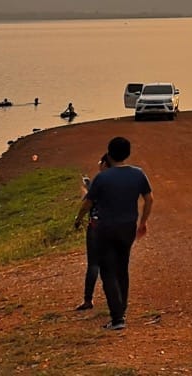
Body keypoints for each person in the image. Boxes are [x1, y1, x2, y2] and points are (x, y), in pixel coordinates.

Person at [75, 136, 152, 332]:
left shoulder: (102, 178)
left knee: (108, 271)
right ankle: (122, 310)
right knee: (122, 268)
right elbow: (149, 199)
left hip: (106, 229)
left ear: (109, 154)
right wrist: (143, 222)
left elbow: (88, 203)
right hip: (128, 228)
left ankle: (117, 318)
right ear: (128, 153)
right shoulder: (138, 174)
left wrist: (78, 218)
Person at [75, 153, 112, 311]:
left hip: (97, 226)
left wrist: (78, 219)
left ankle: (88, 300)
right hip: (115, 226)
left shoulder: (99, 181)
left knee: (94, 264)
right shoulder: (122, 180)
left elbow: (87, 204)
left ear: (105, 164)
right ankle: (114, 298)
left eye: (100, 162)